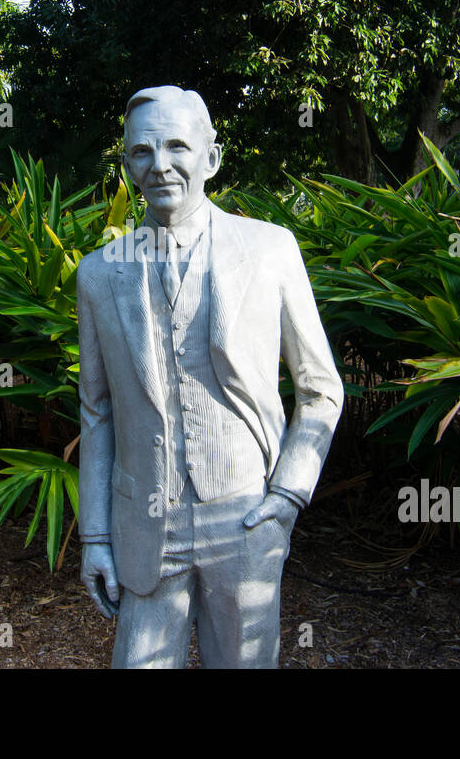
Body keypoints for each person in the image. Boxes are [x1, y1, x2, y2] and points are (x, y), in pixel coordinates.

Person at [75, 85, 344, 668]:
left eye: (177, 146)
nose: (160, 164)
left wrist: (289, 495)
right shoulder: (98, 275)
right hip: (145, 526)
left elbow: (321, 388)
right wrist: (95, 535)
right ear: (126, 165)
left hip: (246, 518)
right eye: (141, 152)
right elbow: (97, 415)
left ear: (211, 158)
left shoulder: (271, 249)